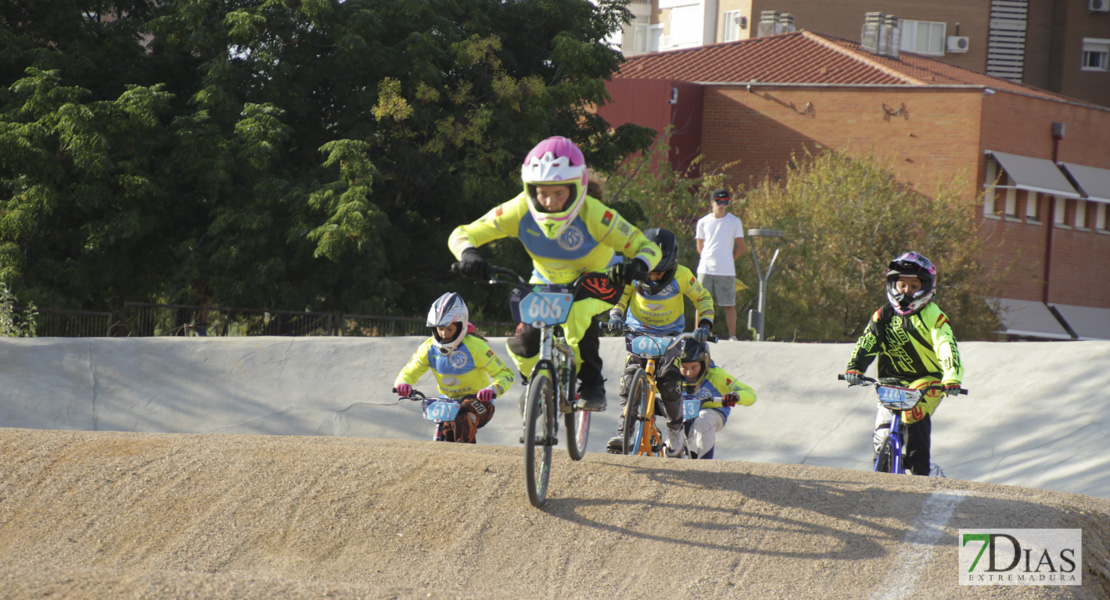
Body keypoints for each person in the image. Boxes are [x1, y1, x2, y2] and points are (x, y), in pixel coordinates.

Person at [449, 136, 662, 412]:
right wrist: (469, 255)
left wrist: (638, 266)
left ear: (577, 189)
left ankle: (592, 383)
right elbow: (463, 233)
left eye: (559, 193)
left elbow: (646, 246)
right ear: (530, 189)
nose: (550, 202)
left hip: (596, 278)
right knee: (524, 342)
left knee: (577, 319)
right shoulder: (519, 209)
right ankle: (537, 382)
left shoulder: (595, 215)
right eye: (542, 193)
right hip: (547, 280)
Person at [843, 251, 964, 476]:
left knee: (914, 412)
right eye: (901, 285)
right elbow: (868, 340)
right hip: (891, 381)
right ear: (892, 285)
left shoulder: (934, 315)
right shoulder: (883, 315)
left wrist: (952, 377)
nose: (906, 291)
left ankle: (922, 473)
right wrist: (855, 367)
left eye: (914, 285)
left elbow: (946, 345)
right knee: (881, 437)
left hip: (927, 381)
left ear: (927, 287)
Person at [604, 227, 716, 453]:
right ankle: (624, 432)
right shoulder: (633, 275)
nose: (653, 276)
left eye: (660, 272)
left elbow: (703, 298)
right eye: (650, 272)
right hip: (637, 333)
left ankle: (675, 431)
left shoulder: (683, 276)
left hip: (671, 338)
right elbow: (620, 298)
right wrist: (615, 315)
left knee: (670, 385)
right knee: (628, 383)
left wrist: (704, 325)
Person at [392, 292, 515, 443]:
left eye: (449, 329)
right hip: (447, 403)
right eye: (440, 329)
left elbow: (507, 373)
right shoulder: (428, 347)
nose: (444, 334)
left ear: (461, 326)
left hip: (480, 402)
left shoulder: (476, 347)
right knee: (448, 433)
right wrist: (403, 383)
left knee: (462, 414)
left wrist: (493, 389)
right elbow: (409, 371)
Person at [674, 338, 756, 459]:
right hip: (685, 415)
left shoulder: (717, 375)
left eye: (694, 367)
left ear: (704, 363)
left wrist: (736, 396)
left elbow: (751, 394)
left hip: (715, 413)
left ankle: (705, 463)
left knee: (704, 417)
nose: (688, 373)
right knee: (672, 441)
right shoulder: (674, 377)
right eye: (684, 367)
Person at [695, 189, 746, 340]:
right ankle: (698, 333)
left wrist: (729, 260)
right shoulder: (703, 222)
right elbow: (700, 246)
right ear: (712, 203)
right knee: (701, 303)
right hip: (705, 269)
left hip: (726, 271)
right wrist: (707, 259)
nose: (722, 205)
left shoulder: (734, 221)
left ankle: (732, 336)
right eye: (719, 202)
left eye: (725, 202)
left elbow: (741, 247)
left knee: (729, 304)